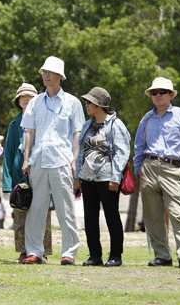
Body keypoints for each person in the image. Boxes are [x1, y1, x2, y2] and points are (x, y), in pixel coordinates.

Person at [20, 57, 84, 266]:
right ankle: (35, 251)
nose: (45, 75)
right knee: (37, 208)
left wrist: (75, 160)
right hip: (39, 159)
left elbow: (77, 134)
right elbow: (29, 131)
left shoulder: (73, 102)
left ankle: (69, 252)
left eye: (50, 72)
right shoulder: (36, 101)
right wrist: (26, 158)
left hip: (62, 159)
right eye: (43, 72)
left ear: (60, 76)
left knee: (66, 209)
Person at [133, 77, 180, 270]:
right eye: (154, 92)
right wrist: (139, 170)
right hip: (148, 167)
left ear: (171, 95)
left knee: (177, 212)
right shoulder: (146, 118)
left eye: (162, 92)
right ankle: (162, 255)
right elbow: (139, 146)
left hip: (172, 167)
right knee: (153, 214)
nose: (158, 95)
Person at [74, 87, 131, 267]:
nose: (86, 105)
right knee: (90, 218)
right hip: (87, 178)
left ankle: (115, 256)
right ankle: (94, 256)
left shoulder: (115, 125)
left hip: (107, 179)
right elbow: (80, 153)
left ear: (99, 104)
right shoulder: (87, 125)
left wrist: (115, 177)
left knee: (111, 216)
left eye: (89, 102)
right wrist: (77, 176)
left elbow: (122, 153)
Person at [2, 83, 53, 263]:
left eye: (30, 96)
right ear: (18, 101)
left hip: (41, 172)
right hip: (19, 176)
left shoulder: (44, 121)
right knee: (20, 214)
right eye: (22, 96)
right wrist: (7, 182)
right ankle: (23, 251)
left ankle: (43, 252)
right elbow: (8, 154)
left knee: (43, 214)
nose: (26, 99)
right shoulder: (14, 124)